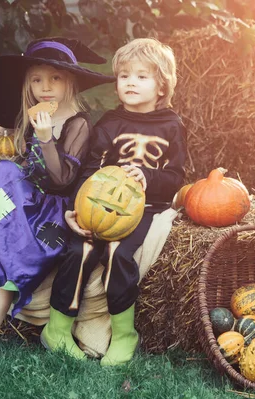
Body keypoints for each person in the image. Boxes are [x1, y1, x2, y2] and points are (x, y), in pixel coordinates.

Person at [0, 37, 115, 361]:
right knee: (6, 171)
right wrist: (35, 135)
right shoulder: (33, 116)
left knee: (9, 260)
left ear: (70, 81)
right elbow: (25, 175)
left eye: (54, 78)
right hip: (23, 202)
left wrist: (45, 138)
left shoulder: (78, 123)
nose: (45, 87)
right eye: (37, 79)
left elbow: (62, 181)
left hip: (52, 213)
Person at [42, 38, 187, 366]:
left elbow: (176, 177)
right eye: (124, 76)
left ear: (162, 85)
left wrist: (148, 178)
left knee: (120, 254)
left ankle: (123, 336)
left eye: (141, 76)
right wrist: (75, 210)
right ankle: (57, 330)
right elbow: (90, 169)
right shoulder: (109, 122)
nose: (131, 82)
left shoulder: (171, 126)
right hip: (97, 205)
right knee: (77, 250)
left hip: (141, 209)